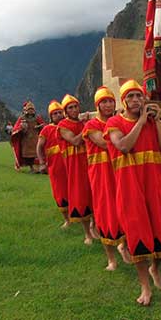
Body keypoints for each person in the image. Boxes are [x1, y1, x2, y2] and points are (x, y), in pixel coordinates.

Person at [104, 80, 161, 306]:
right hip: (130, 187)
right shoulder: (114, 122)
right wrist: (142, 121)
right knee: (138, 233)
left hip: (155, 184)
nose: (136, 100)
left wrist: (157, 121)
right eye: (131, 96)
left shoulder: (153, 124)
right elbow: (123, 146)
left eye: (139, 96)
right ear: (123, 101)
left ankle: (155, 269)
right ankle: (145, 286)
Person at [82, 86, 131, 270]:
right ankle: (111, 259)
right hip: (101, 174)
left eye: (110, 101)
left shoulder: (119, 122)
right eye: (104, 102)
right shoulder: (91, 126)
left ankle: (124, 245)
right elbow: (104, 143)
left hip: (119, 169)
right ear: (98, 105)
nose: (108, 104)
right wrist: (121, 130)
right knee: (105, 212)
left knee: (124, 207)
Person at [58, 94, 96, 245]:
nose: (74, 110)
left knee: (94, 194)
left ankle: (94, 226)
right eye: (70, 108)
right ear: (66, 111)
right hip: (75, 167)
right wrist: (87, 126)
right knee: (81, 197)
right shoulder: (62, 126)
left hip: (90, 162)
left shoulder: (82, 123)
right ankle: (87, 234)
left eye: (75, 106)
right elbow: (74, 140)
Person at [37, 100, 70, 228]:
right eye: (55, 113)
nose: (58, 115)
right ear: (51, 116)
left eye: (60, 112)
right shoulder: (46, 130)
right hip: (55, 167)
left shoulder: (68, 126)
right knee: (60, 192)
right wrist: (41, 162)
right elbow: (39, 147)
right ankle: (67, 219)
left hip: (70, 164)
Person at [10, 101, 46, 173]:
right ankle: (31, 168)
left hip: (35, 139)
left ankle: (37, 168)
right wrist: (21, 127)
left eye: (32, 109)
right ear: (26, 110)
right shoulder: (22, 118)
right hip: (26, 140)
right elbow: (16, 128)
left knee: (36, 153)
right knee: (27, 155)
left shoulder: (37, 118)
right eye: (29, 109)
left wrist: (39, 127)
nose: (31, 111)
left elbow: (43, 125)